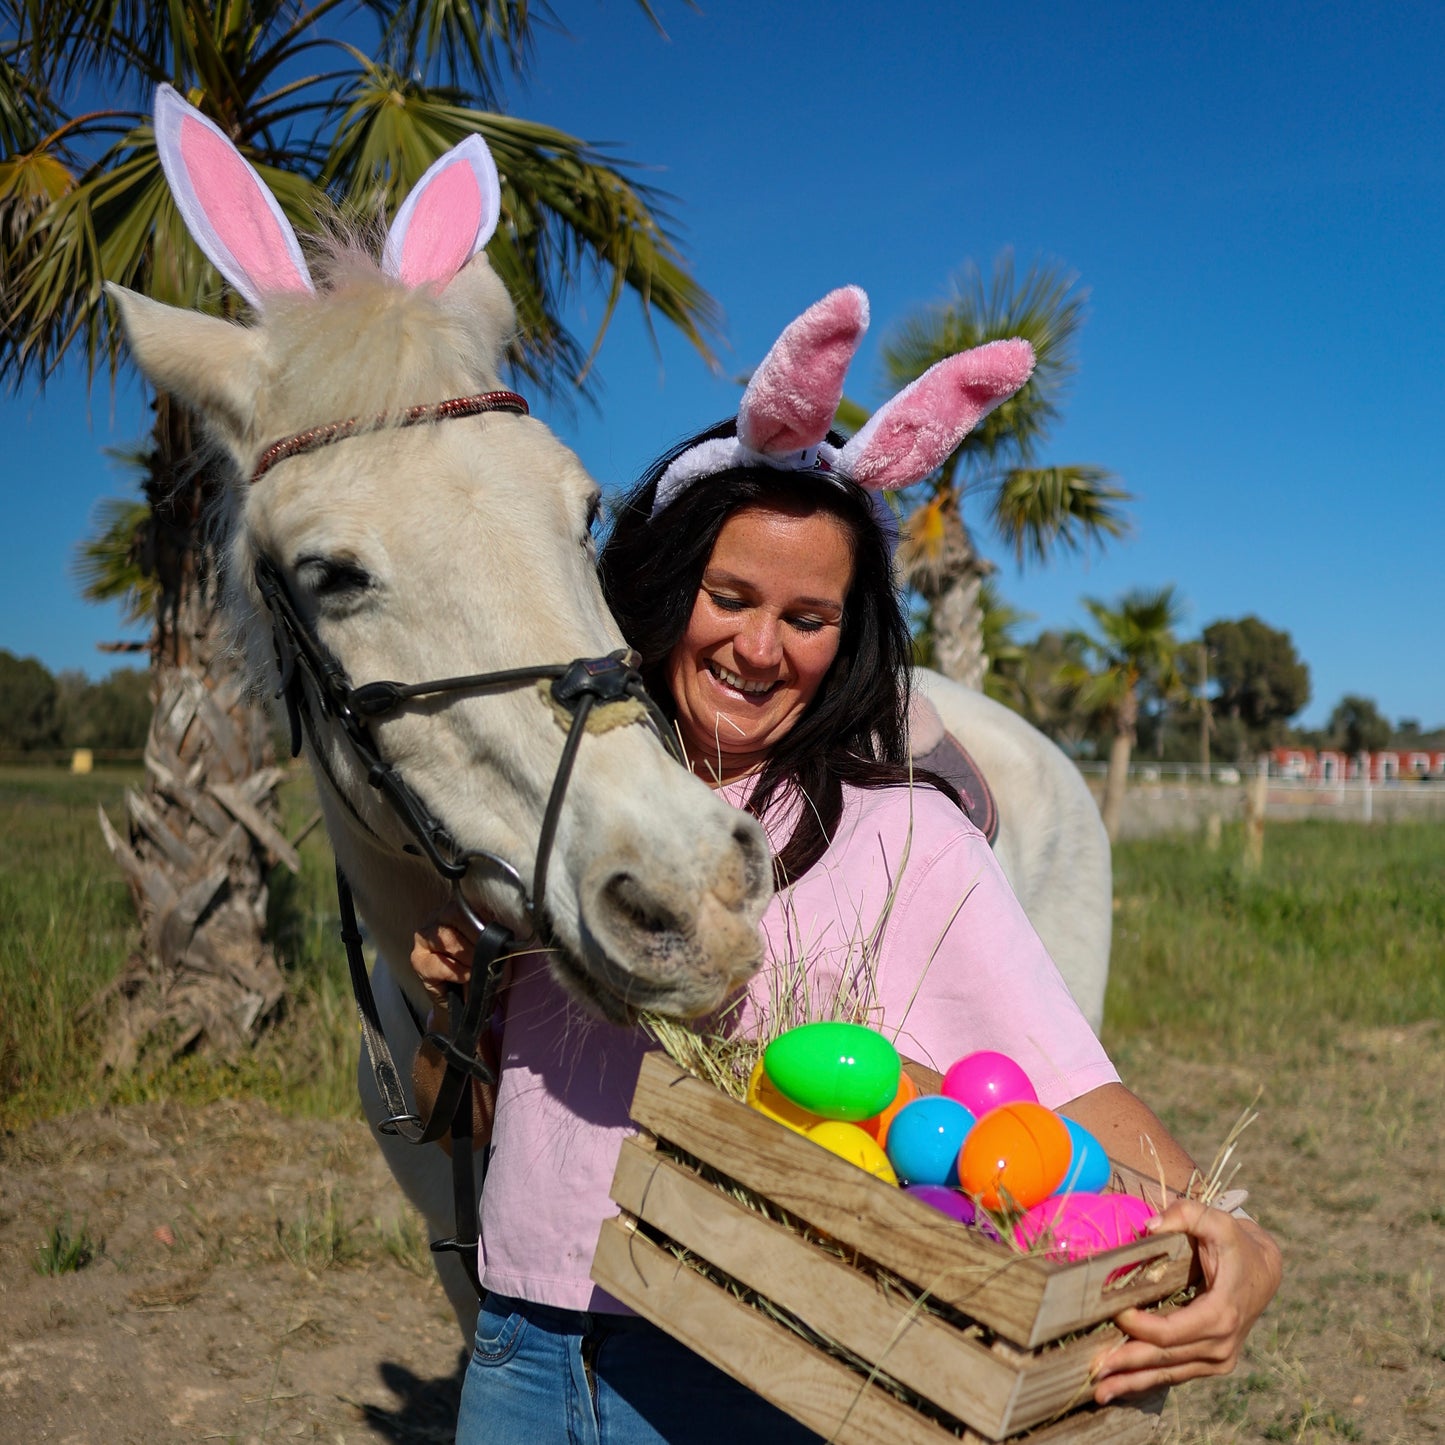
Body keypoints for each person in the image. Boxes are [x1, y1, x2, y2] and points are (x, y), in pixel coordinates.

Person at [411, 288, 1282, 1444]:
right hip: (519, 1348)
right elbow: (469, 1129)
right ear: (663, 589)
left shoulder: (900, 834)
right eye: (728, 597)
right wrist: (447, 1006)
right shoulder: (565, 819)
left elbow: (1067, 1089)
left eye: (808, 615)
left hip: (740, 1362)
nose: (759, 647)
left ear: (850, 629)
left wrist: (1219, 1226)